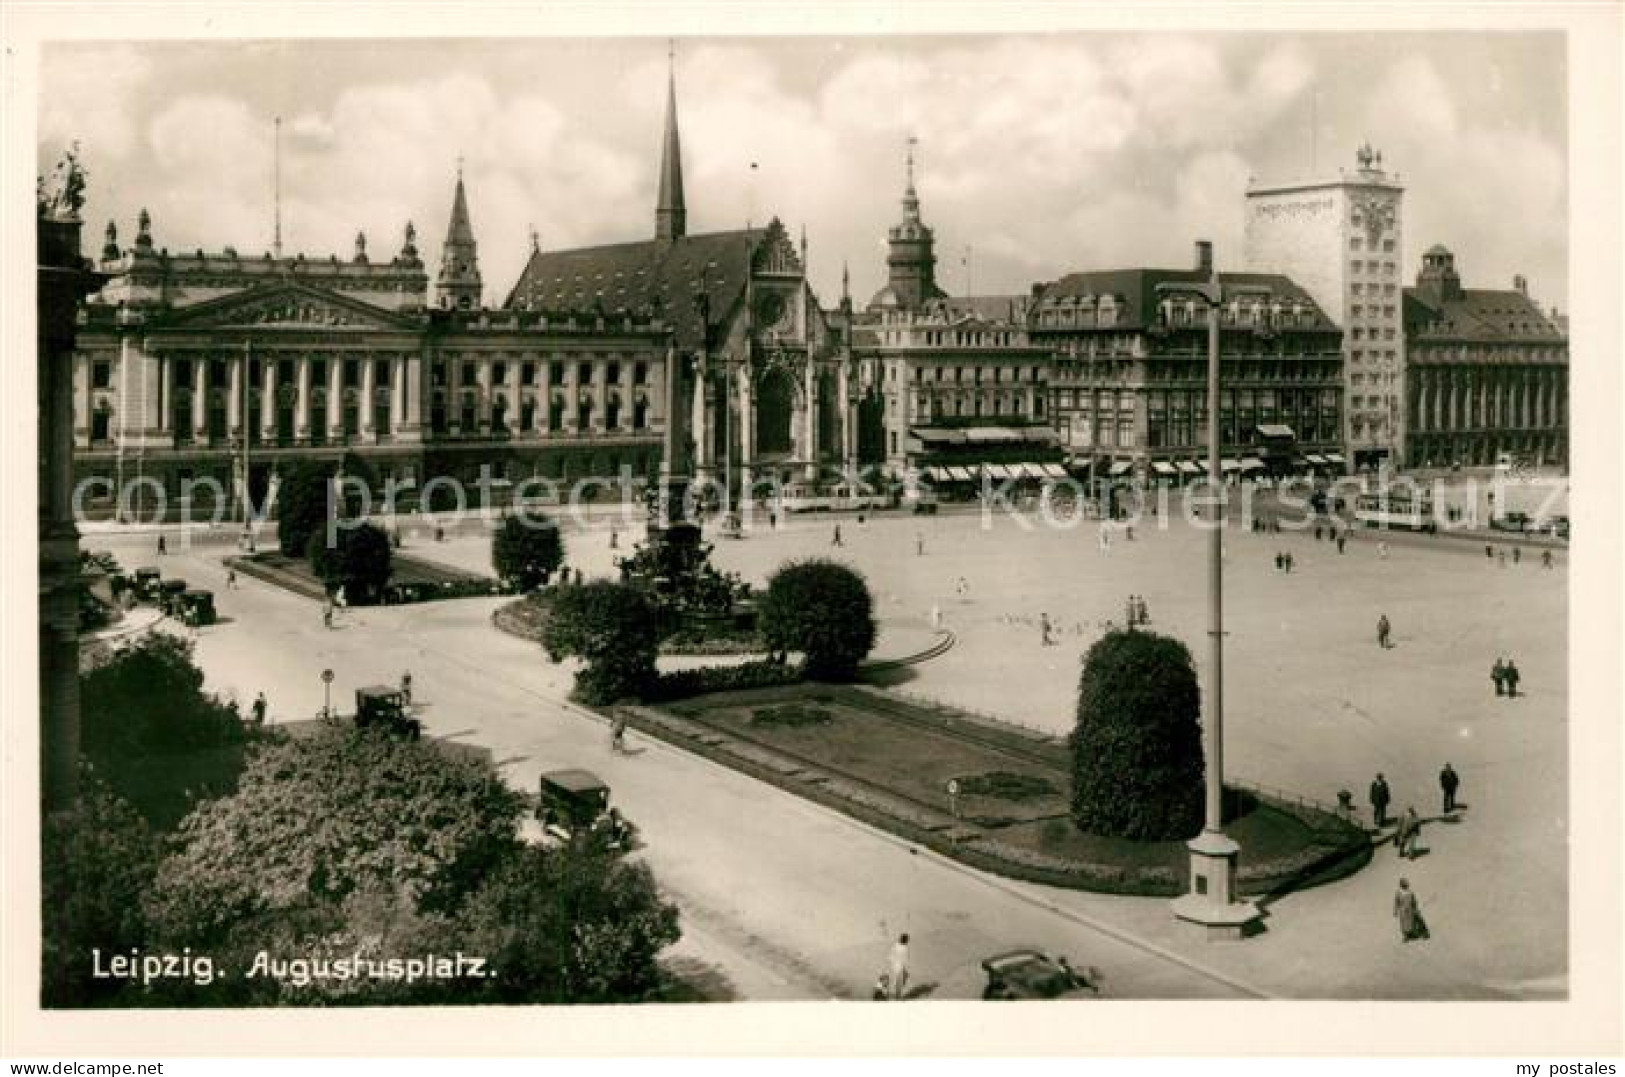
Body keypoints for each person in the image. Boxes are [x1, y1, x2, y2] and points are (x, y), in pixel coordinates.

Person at [1394, 878, 1430, 942]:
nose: (1407, 884)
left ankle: (1425, 933)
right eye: (1405, 883)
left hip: (1411, 909)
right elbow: (1396, 902)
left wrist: (1416, 908)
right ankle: (1407, 936)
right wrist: (1395, 911)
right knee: (1404, 924)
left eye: (1406, 883)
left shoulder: (1410, 892)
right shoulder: (1398, 893)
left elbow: (1414, 901)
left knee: (1418, 919)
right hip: (1403, 911)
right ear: (1401, 885)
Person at [888, 933, 910, 1001]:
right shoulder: (904, 948)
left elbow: (890, 955)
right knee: (899, 983)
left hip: (893, 965)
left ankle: (892, 995)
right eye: (907, 940)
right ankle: (897, 997)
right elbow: (904, 960)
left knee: (894, 981)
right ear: (905, 940)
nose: (907, 941)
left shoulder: (896, 945)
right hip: (899, 967)